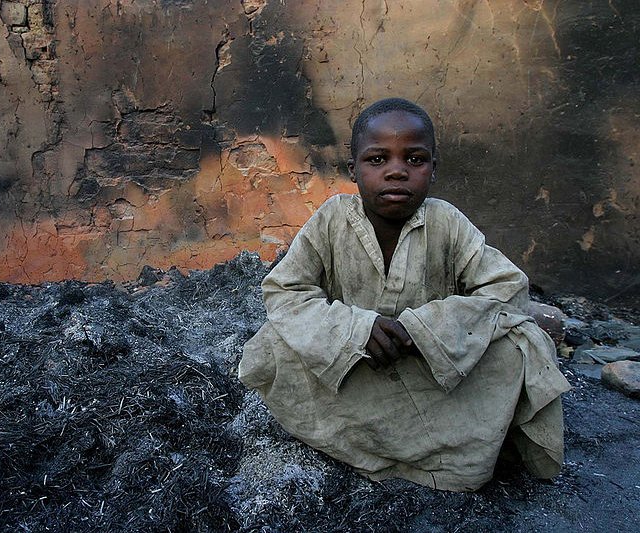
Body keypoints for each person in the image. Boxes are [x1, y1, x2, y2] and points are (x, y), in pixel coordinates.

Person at [238, 97, 571, 492]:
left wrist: (424, 331)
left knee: (522, 345)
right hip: (356, 366)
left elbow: (507, 288)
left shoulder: (446, 222)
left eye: (414, 160)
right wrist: (355, 330)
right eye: (378, 160)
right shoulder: (331, 219)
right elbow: (285, 291)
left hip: (432, 368)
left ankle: (444, 455)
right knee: (272, 346)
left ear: (433, 170)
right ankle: (377, 444)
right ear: (354, 171)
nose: (397, 172)